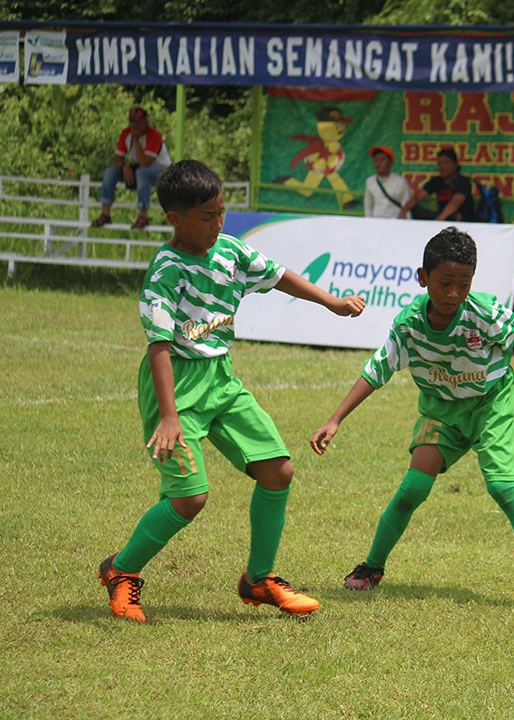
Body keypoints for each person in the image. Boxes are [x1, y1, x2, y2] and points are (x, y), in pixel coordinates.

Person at [98, 160, 366, 622]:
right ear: (175, 219)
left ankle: (258, 579)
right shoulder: (166, 270)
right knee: (189, 499)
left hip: (221, 379)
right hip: (176, 387)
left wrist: (331, 302)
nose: (218, 223)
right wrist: (168, 416)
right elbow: (159, 346)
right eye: (207, 216)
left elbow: (279, 274)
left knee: (278, 472)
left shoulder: (230, 251)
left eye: (221, 212)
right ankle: (121, 571)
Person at [310, 226, 514, 612]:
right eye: (445, 283)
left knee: (503, 488)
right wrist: (335, 419)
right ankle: (371, 568)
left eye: (464, 284)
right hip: (441, 410)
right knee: (413, 487)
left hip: (490, 403)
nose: (454, 293)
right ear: (423, 278)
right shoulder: (409, 325)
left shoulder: (481, 312)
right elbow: (376, 370)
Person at [91, 106, 171, 230]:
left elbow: (145, 162)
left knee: (142, 172)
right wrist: (124, 166)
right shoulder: (126, 133)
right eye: (132, 122)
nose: (134, 126)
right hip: (139, 168)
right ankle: (105, 213)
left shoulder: (154, 135)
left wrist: (136, 140)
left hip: (162, 170)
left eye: (138, 122)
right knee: (111, 171)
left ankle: (143, 215)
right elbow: (118, 158)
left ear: (145, 122)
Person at [401, 148, 476, 222]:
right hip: (442, 218)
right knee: (415, 209)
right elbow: (418, 197)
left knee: (454, 215)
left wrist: (438, 220)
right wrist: (404, 211)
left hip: (461, 220)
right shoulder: (436, 181)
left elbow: (454, 204)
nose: (442, 166)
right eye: (439, 163)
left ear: (455, 164)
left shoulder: (463, 182)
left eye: (446, 163)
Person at [363, 145, 412, 219]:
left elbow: (407, 207)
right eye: (376, 160)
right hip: (376, 222)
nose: (378, 164)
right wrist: (369, 223)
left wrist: (407, 225)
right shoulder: (370, 181)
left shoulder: (400, 182)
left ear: (391, 162)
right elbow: (368, 206)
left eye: (382, 160)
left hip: (395, 222)